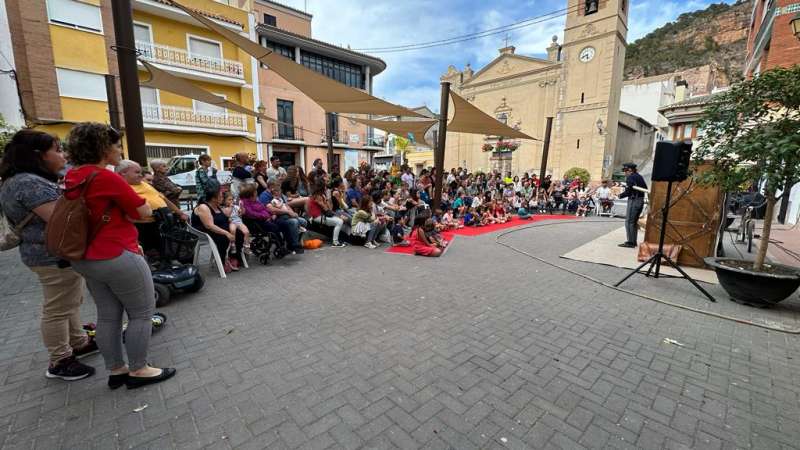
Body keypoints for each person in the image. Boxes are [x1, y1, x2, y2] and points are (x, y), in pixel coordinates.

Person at [64, 122, 175, 389]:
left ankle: (116, 370)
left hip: (86, 257)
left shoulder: (73, 176)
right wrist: (134, 209)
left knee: (108, 315)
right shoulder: (106, 177)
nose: (119, 149)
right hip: (117, 252)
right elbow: (144, 212)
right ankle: (139, 369)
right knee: (141, 313)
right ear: (103, 147)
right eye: (115, 145)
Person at [0, 129, 97, 381]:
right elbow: (61, 220)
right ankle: (60, 361)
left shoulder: (21, 179)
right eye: (57, 150)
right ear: (38, 155)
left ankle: (78, 342)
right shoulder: (28, 183)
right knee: (57, 309)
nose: (63, 155)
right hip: (52, 255)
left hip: (49, 254)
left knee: (68, 303)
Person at [116, 160, 188, 256]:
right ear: (123, 173)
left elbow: (164, 199)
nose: (140, 175)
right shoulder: (121, 187)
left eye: (141, 172)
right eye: (137, 172)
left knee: (165, 250)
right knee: (150, 253)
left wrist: (180, 213)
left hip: (161, 223)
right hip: (143, 227)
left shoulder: (144, 184)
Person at [192, 181, 245, 272]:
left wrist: (231, 220)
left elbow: (224, 218)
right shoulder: (203, 207)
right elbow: (209, 226)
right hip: (205, 231)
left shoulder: (217, 205)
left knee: (239, 233)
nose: (222, 198)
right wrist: (227, 233)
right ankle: (223, 261)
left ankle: (234, 256)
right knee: (223, 237)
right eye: (220, 196)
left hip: (218, 228)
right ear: (213, 198)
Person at [307, 177, 347, 248]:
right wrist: (339, 216)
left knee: (339, 220)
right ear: (321, 187)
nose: (326, 187)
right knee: (339, 221)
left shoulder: (320, 195)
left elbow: (328, 209)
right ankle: (335, 242)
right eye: (325, 186)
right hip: (317, 217)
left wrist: (327, 200)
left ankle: (337, 240)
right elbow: (326, 209)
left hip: (320, 215)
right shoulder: (317, 196)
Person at [619, 162, 647, 248]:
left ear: (630, 170)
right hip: (640, 200)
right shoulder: (639, 176)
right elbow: (645, 188)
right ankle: (633, 241)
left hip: (634, 200)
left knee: (629, 222)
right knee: (633, 222)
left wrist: (620, 195)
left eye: (625, 171)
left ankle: (630, 242)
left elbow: (629, 191)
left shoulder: (630, 177)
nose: (625, 173)